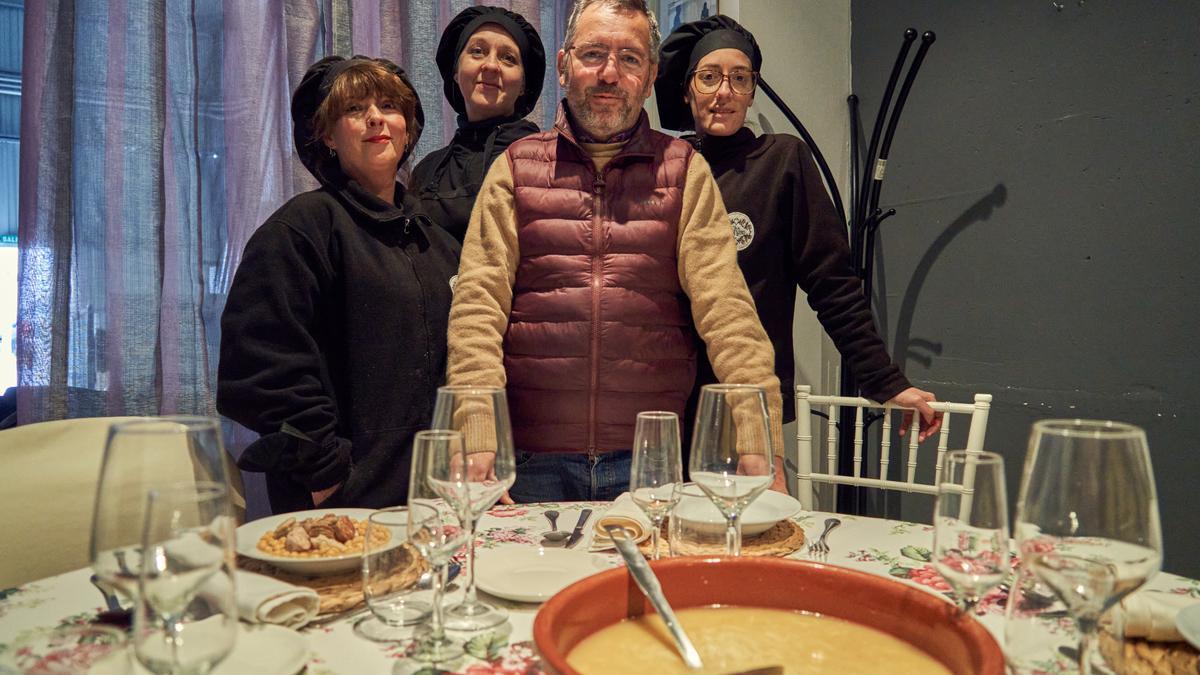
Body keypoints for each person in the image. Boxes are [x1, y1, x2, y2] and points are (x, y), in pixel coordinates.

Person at [445, 0, 786, 503]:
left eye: (629, 59)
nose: (609, 73)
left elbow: (728, 313)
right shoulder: (514, 168)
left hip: (653, 463)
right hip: (527, 463)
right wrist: (477, 437)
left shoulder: (685, 170)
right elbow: (477, 311)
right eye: (594, 54)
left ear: (649, 77)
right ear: (564, 65)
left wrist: (761, 441)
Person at [655, 15, 943, 441]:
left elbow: (832, 283)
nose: (724, 92)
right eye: (709, 76)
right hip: (666, 402)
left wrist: (886, 382)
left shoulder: (781, 162)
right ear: (686, 88)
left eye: (740, 78)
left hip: (746, 405)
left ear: (753, 92)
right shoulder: (666, 171)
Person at [217, 56, 460, 514]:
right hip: (341, 507)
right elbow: (259, 366)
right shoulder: (301, 230)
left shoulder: (439, 243)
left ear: (407, 127)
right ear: (327, 135)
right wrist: (325, 473)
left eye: (389, 105)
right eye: (354, 109)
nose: (375, 117)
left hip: (437, 503)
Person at [411, 6, 546, 243]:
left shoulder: (546, 159)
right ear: (455, 71)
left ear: (524, 85)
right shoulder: (426, 172)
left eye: (508, 58)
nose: (491, 66)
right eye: (477, 51)